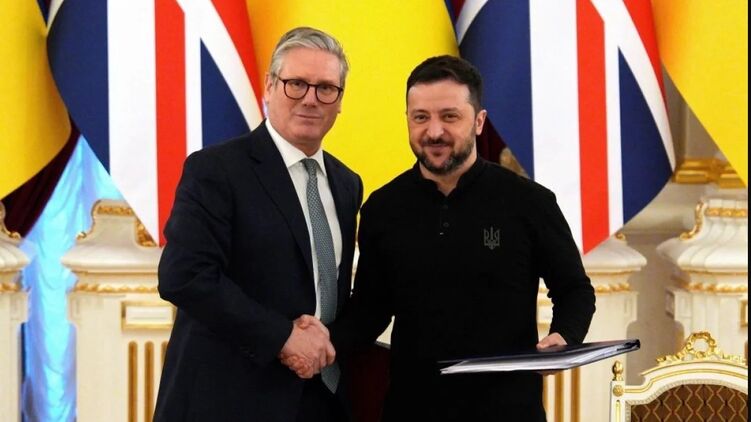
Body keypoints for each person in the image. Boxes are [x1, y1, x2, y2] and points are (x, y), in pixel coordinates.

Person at [317, 55, 595, 421]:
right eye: (421, 117)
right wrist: (315, 343)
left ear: (478, 121)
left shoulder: (529, 202)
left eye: (450, 116)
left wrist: (564, 336)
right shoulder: (382, 209)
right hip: (411, 411)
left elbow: (575, 289)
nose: (434, 132)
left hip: (509, 412)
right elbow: (370, 310)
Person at [154, 27, 362, 422]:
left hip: (320, 401)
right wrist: (283, 337)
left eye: (325, 88)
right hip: (229, 400)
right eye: (296, 84)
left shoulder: (347, 183)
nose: (310, 99)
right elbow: (184, 275)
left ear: (339, 101)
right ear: (269, 86)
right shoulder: (216, 169)